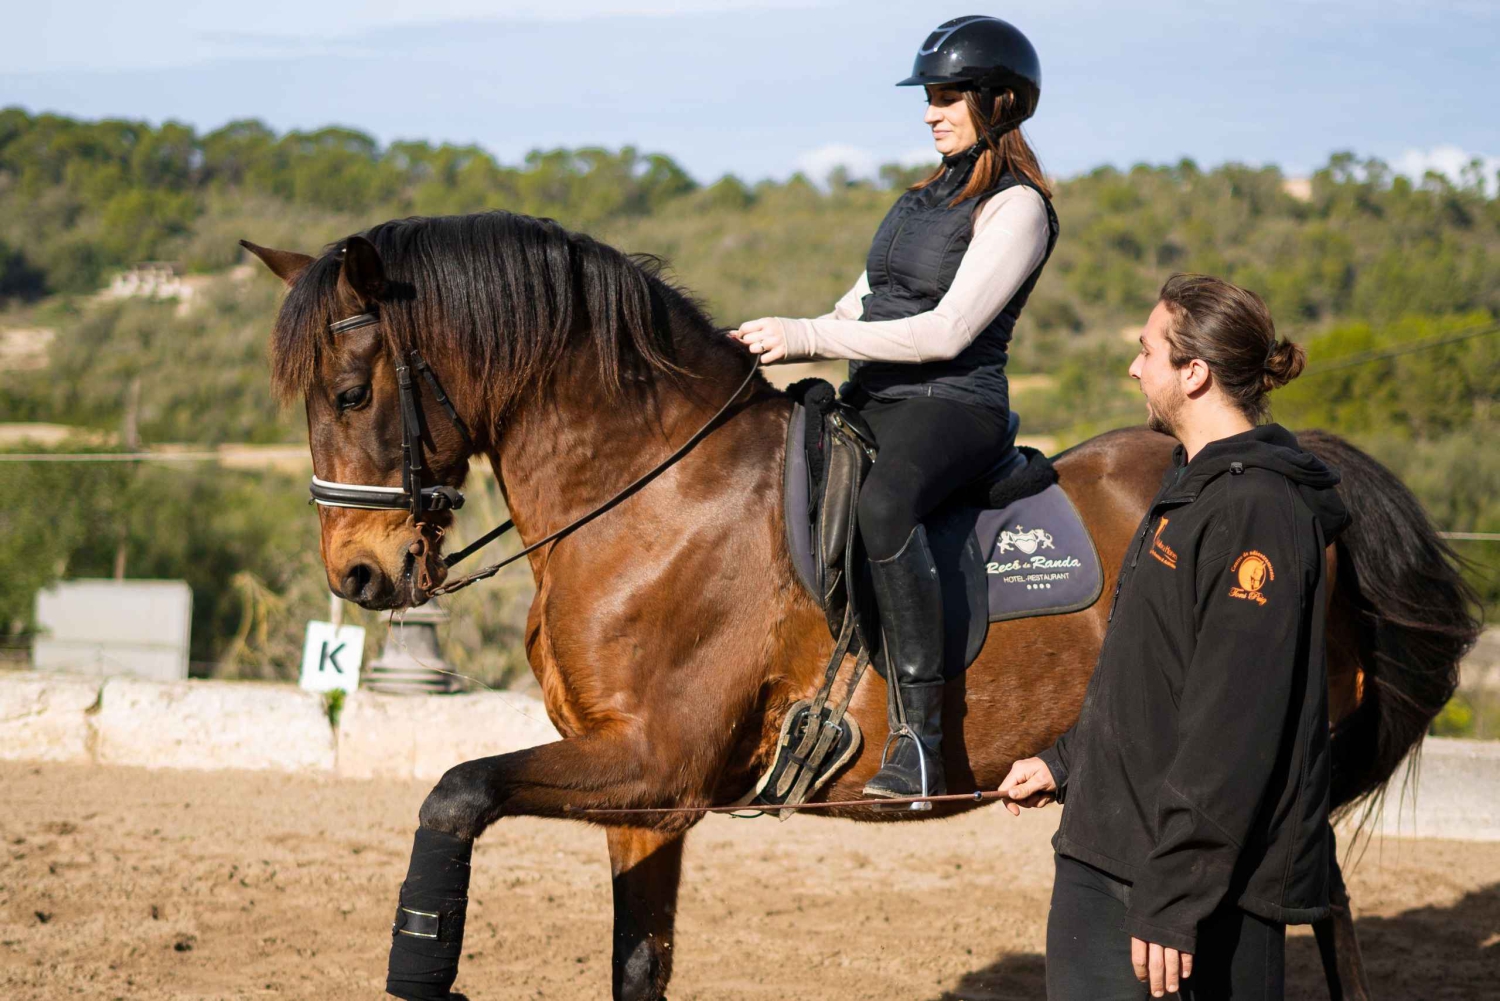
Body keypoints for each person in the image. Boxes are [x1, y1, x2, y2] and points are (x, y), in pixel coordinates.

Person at [997, 274, 1352, 1001]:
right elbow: (1151, 664)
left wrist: (1173, 896)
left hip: (1177, 887)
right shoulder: (1191, 480)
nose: (1134, 368)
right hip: (1112, 851)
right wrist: (1066, 760)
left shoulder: (1258, 512)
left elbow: (1236, 727)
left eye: (1147, 351)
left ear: (1195, 373)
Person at [732, 15, 1059, 800]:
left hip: (955, 406)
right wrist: (760, 346)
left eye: (949, 96)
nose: (930, 110)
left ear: (1001, 103)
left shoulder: (1019, 209)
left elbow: (949, 331)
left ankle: (918, 742)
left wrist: (807, 332)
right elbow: (861, 307)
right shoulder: (918, 200)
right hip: (877, 394)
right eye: (930, 96)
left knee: (884, 505)